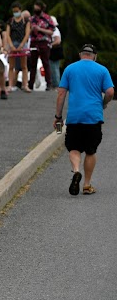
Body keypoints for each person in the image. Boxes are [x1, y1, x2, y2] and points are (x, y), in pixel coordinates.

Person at [54, 44, 114, 196]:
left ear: (80, 54)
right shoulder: (102, 70)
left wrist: (58, 117)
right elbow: (110, 91)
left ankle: (76, 171)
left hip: (74, 117)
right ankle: (86, 185)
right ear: (94, 56)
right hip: (93, 117)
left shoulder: (69, 69)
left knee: (74, 148)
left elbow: (61, 94)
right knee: (90, 150)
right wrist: (104, 103)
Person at [28, 0, 55, 91]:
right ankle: (30, 84)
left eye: (37, 8)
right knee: (32, 64)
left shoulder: (47, 18)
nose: (36, 9)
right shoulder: (31, 19)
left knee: (45, 63)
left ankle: (49, 83)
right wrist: (32, 29)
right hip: (34, 42)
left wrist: (40, 29)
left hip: (44, 42)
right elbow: (27, 32)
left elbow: (51, 31)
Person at [6, 2, 32, 93]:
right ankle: (10, 85)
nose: (15, 13)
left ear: (20, 10)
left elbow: (27, 33)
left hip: (22, 43)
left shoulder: (26, 21)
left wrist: (22, 45)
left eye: (17, 11)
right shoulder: (10, 21)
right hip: (13, 42)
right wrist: (11, 45)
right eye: (14, 11)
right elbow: (7, 34)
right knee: (11, 66)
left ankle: (25, 84)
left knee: (24, 65)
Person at [49, 16, 63, 89]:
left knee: (54, 68)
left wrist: (49, 45)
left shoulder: (55, 30)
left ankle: (56, 84)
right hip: (54, 50)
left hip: (54, 51)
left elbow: (57, 41)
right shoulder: (54, 29)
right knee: (54, 67)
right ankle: (54, 83)